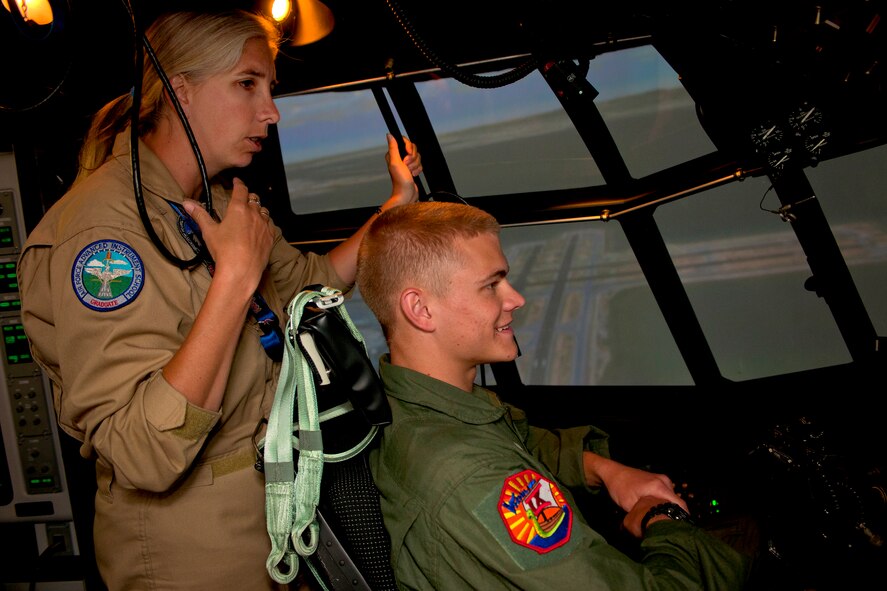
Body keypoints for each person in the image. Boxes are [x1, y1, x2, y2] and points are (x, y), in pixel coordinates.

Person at [17, 9, 421, 591]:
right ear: (180, 90)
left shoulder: (219, 202)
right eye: (246, 84)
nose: (271, 111)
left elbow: (310, 284)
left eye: (270, 89)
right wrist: (234, 280)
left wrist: (397, 204)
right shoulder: (104, 238)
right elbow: (142, 451)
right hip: (190, 549)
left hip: (273, 514)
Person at [355, 201, 752, 590]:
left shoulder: (422, 404)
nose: (515, 299)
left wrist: (604, 469)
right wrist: (663, 520)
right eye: (491, 285)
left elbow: (518, 441)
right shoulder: (471, 474)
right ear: (421, 309)